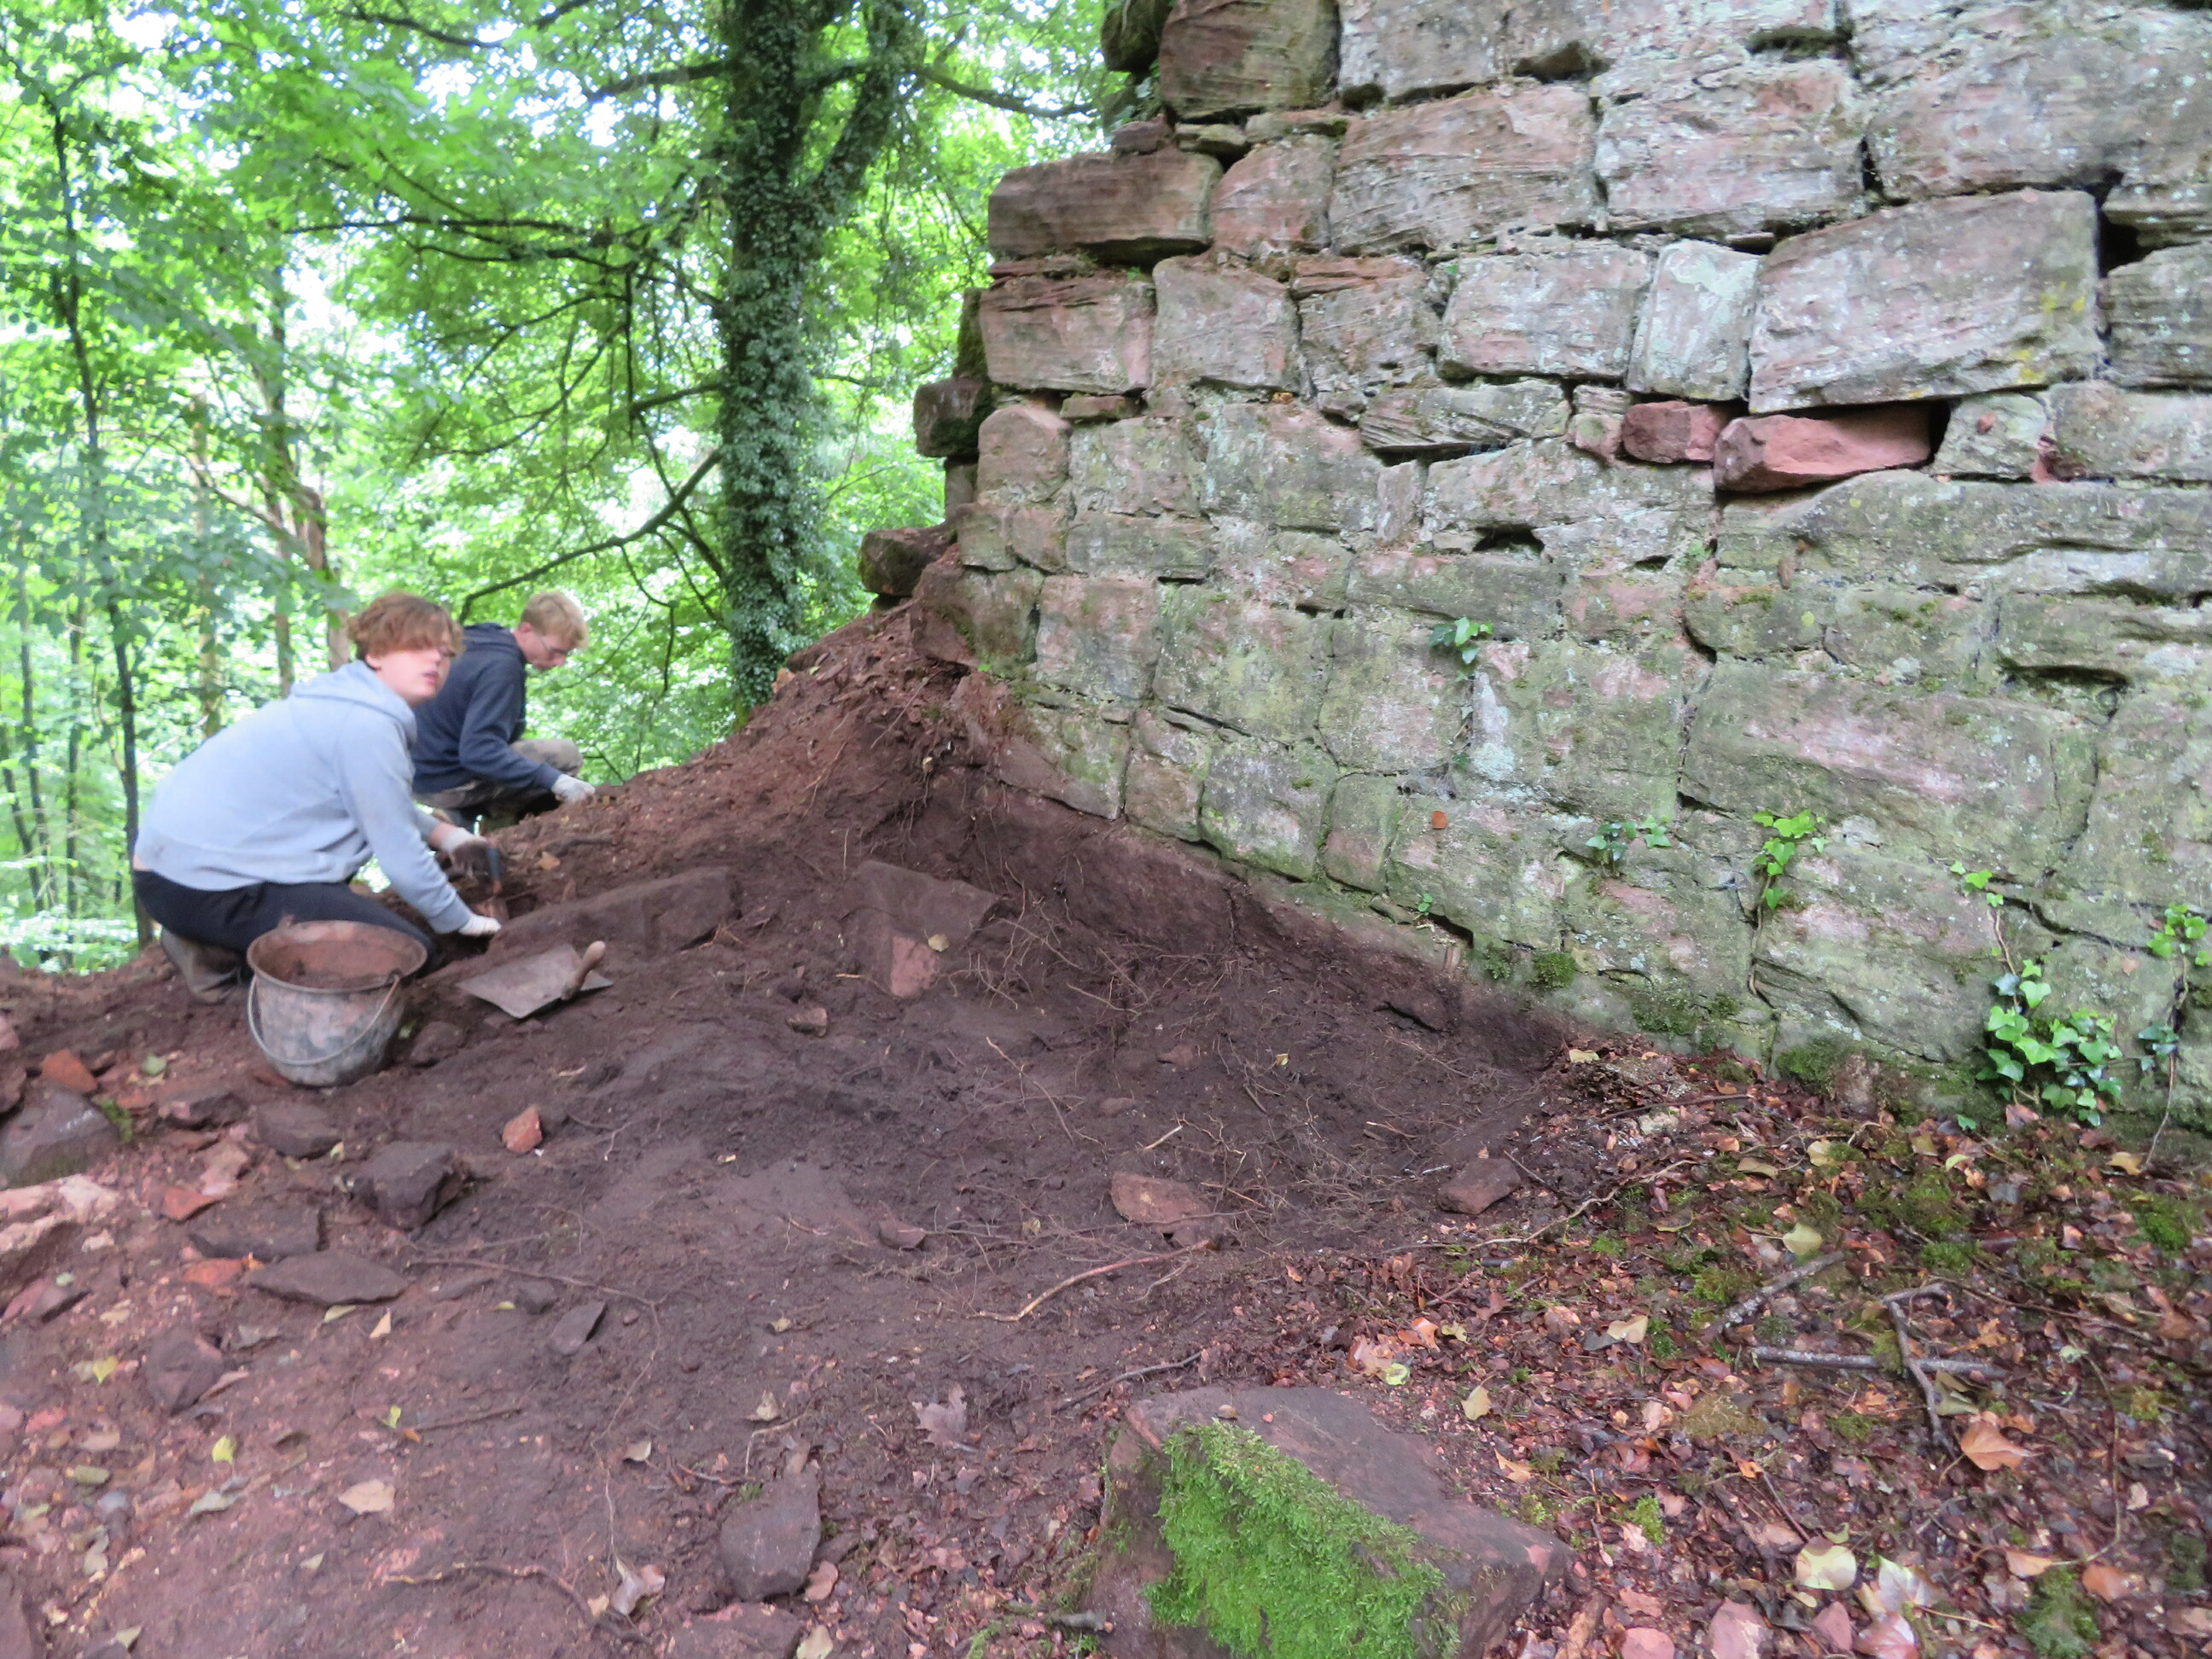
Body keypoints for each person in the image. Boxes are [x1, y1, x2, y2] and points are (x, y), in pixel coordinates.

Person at [133, 591, 502, 1001]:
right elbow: (398, 851)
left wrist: (448, 836)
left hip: (174, 871)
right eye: (418, 647)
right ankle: (215, 956)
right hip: (204, 889)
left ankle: (215, 934)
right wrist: (461, 922)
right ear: (375, 654)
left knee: (353, 909)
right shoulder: (366, 725)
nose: (435, 660)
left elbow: (374, 802)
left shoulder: (342, 702)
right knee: (409, 955)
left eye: (445, 653)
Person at [411, 590, 593, 827]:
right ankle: (498, 831)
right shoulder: (503, 669)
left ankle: (461, 815)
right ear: (527, 629)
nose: (560, 662)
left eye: (566, 654)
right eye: (555, 651)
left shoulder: (480, 638)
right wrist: (554, 780)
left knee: (516, 756)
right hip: (445, 781)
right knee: (566, 755)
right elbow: (479, 751)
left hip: (417, 771)